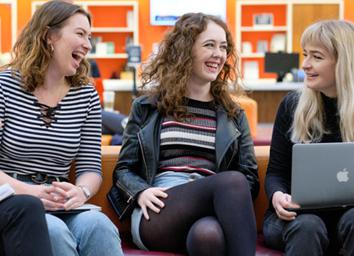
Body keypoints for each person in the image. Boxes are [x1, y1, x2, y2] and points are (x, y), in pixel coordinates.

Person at [108, 12, 259, 256]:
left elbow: (250, 179)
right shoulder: (148, 107)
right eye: (209, 45)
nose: (218, 54)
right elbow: (123, 169)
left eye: (223, 47)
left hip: (212, 209)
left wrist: (217, 201)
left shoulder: (233, 114)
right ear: (185, 50)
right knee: (232, 180)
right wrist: (140, 192)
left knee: (208, 236)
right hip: (159, 210)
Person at [0, 1, 123, 255]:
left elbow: (90, 165)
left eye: (89, 37)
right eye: (80, 34)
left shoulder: (86, 94)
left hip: (61, 201)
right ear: (49, 36)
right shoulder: (5, 85)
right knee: (53, 232)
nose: (88, 45)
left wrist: (81, 191)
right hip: (13, 200)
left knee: (100, 226)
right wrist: (32, 192)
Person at [263, 19, 354, 255]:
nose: (305, 65)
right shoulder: (292, 105)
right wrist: (278, 197)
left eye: (316, 57)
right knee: (308, 226)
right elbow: (276, 173)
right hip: (296, 219)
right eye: (305, 54)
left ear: (345, 63)